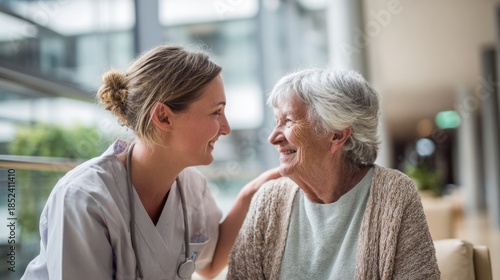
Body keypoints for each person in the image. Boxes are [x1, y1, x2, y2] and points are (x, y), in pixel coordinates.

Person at [21, 45, 280, 280]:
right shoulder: (84, 199)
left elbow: (209, 264)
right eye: (216, 112)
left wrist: (254, 191)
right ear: (164, 117)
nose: (226, 128)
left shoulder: (192, 187)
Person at [227, 68, 440, 279]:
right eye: (277, 122)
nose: (273, 138)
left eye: (289, 121)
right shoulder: (268, 201)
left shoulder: (393, 195)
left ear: (337, 136)